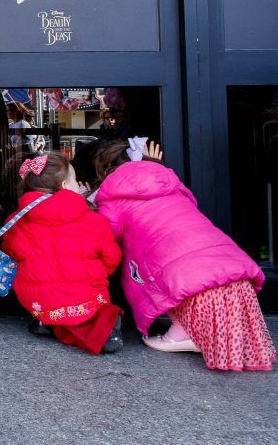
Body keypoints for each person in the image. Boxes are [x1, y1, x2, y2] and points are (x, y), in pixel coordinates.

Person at [93, 139, 276, 371]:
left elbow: (106, 233)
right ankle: (199, 331)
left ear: (108, 170)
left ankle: (181, 333)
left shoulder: (113, 198)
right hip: (223, 257)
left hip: (183, 270)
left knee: (154, 270)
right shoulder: (170, 183)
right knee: (172, 265)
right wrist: (154, 167)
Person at [0, 153, 124, 355]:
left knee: (35, 279)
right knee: (99, 309)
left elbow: (11, 253)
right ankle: (101, 326)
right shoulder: (93, 220)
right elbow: (112, 258)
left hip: (37, 302)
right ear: (66, 185)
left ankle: (46, 320)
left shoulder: (16, 220)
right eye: (75, 180)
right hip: (88, 298)